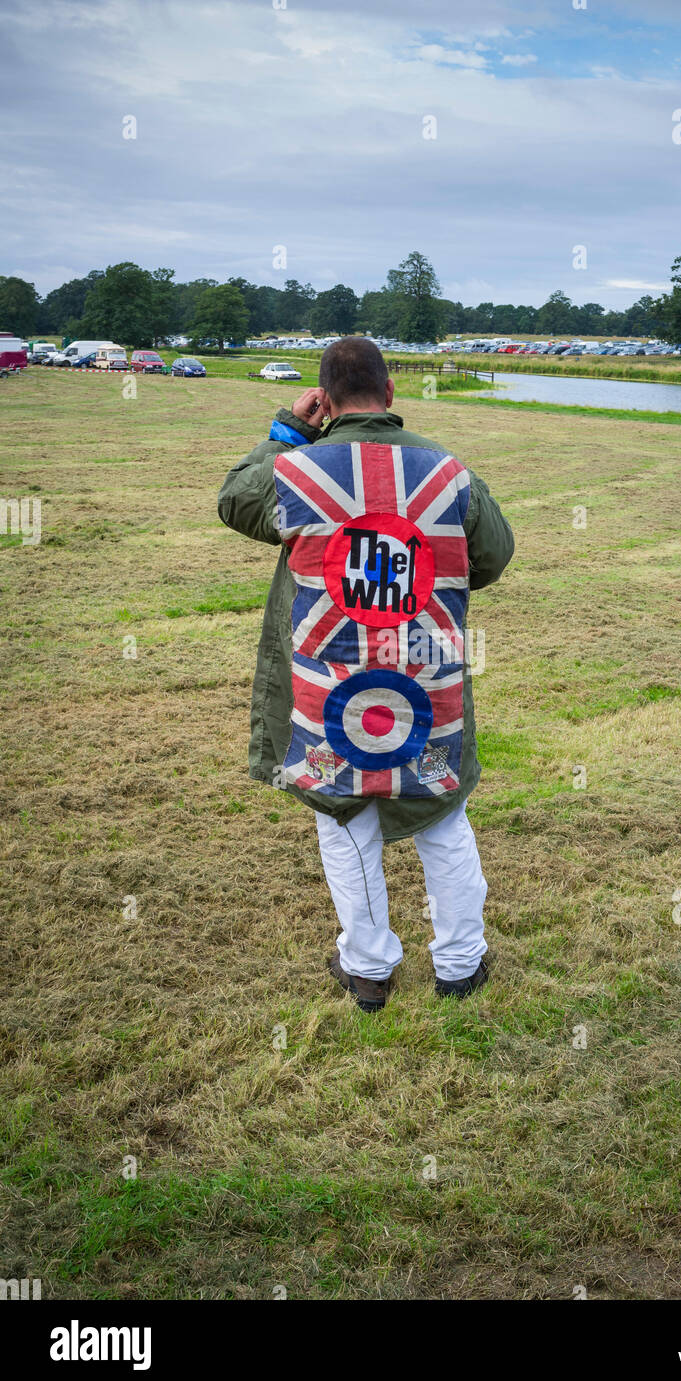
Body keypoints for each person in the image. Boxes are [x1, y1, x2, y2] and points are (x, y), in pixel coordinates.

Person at [218, 337, 513, 1012]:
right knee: (443, 819)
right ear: (389, 394)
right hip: (425, 685)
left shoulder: (296, 470)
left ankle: (369, 969)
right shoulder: (449, 474)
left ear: (325, 400)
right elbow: (492, 557)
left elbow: (236, 501)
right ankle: (460, 966)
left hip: (327, 687)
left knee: (344, 821)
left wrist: (287, 432)